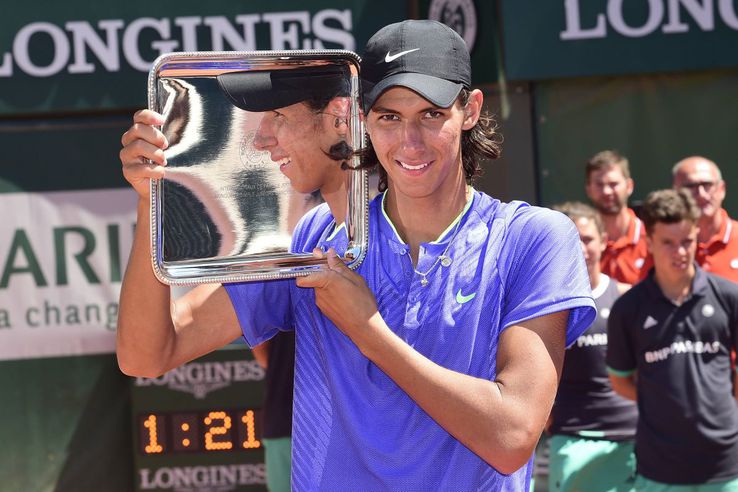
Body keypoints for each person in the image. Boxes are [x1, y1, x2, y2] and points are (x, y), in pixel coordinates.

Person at [118, 19, 596, 491]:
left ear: (469, 111)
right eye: (389, 116)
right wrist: (150, 199)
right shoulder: (316, 238)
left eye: (431, 114)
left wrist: (368, 331)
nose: (409, 141)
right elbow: (148, 354)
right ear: (362, 119)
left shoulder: (533, 237)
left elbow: (512, 437)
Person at [121, 67, 351, 492]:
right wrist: (149, 197)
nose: (261, 139)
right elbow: (145, 356)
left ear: (340, 117)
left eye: (278, 115)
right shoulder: (299, 246)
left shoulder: (427, 239)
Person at [606, 189, 738, 491]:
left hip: (725, 465)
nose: (680, 252)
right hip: (659, 469)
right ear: (649, 242)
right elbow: (620, 381)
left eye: (687, 242)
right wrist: (660, 402)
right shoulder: (628, 309)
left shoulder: (729, 297)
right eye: (668, 243)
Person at [547, 202, 637, 492]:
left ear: (603, 242)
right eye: (574, 240)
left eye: (587, 239)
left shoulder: (627, 298)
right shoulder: (547, 306)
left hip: (631, 438)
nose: (582, 248)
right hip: (572, 437)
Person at [585, 150, 652, 284]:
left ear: (629, 186)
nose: (606, 191)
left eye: (613, 184)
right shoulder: (581, 244)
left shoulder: (651, 238)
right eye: (599, 184)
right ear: (588, 189)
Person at [672, 156, 738, 284]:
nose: (701, 194)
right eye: (691, 186)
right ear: (676, 192)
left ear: (721, 189)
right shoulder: (664, 244)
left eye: (707, 185)